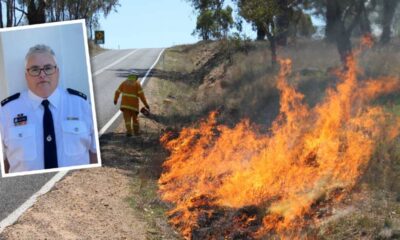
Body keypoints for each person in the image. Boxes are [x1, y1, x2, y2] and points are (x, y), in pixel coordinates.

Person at [0, 44, 97, 174]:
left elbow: (94, 154)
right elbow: (5, 163)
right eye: (35, 69)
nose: (42, 75)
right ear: (26, 75)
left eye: (48, 68)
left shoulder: (82, 105)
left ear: (57, 72)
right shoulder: (6, 111)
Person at [114, 72, 150, 136]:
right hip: (134, 106)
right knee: (135, 119)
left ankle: (129, 132)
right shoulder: (137, 84)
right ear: (136, 77)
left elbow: (117, 92)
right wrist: (146, 105)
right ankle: (136, 132)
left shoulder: (124, 83)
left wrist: (115, 100)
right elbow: (142, 96)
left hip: (125, 105)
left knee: (127, 120)